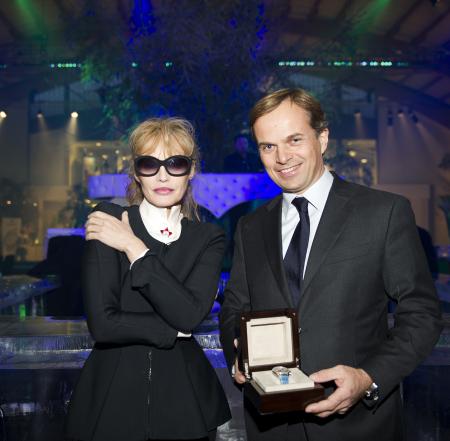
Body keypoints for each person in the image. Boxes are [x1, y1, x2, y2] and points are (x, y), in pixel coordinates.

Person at [219, 88, 442, 441]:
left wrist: (368, 377)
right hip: (274, 427)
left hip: (359, 426)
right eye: (267, 146)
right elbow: (234, 305)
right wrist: (241, 351)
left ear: (322, 138)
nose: (282, 157)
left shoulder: (382, 213)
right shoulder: (251, 226)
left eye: (294, 139)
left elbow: (422, 314)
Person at [66, 117, 231, 441]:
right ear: (136, 171)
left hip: (186, 402)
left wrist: (133, 248)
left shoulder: (208, 237)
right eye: (149, 164)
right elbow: (103, 323)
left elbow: (190, 315)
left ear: (191, 169)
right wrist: (177, 329)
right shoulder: (108, 220)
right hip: (111, 397)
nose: (163, 175)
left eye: (176, 163)